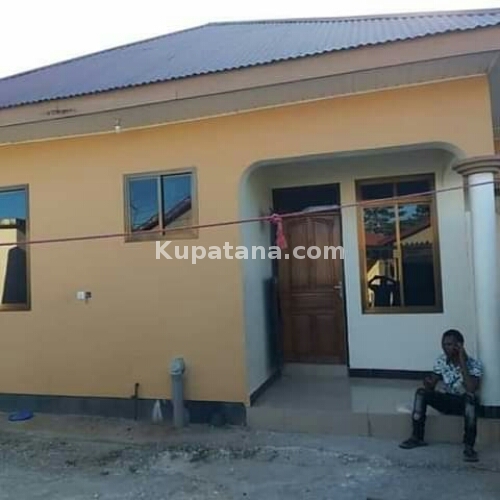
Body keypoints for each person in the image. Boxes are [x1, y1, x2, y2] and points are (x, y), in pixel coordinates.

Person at [399, 329, 483, 462]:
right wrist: (428, 383)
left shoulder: (474, 364)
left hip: (464, 403)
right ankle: (416, 437)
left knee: (471, 399)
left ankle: (469, 447)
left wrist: (462, 361)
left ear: (459, 345)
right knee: (421, 393)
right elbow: (432, 385)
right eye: (443, 344)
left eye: (449, 344)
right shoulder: (441, 360)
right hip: (448, 399)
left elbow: (471, 388)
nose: (445, 348)